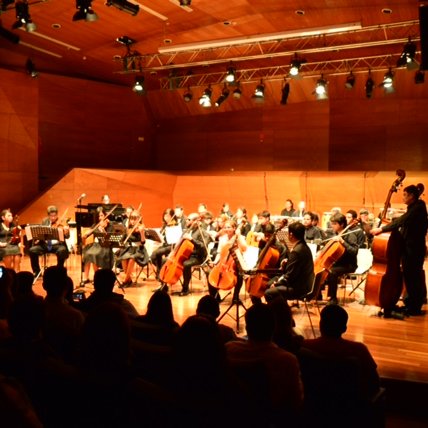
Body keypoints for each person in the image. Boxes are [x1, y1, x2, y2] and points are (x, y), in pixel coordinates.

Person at [225, 303, 303, 421]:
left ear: (246, 328)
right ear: (274, 327)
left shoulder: (228, 349)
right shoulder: (287, 360)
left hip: (233, 416)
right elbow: (296, 403)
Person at [371, 183, 428, 315]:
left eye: (405, 195)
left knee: (412, 278)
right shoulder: (414, 207)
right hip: (410, 249)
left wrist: (382, 228)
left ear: (412, 196)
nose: (402, 197)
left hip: (413, 250)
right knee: (410, 278)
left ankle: (414, 308)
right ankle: (411, 304)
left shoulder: (418, 208)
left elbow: (403, 220)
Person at [301, 304, 380, 399]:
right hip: (349, 406)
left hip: (313, 403)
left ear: (321, 325)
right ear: (344, 329)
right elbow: (374, 383)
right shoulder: (359, 350)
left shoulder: (304, 346)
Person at [264, 222, 315, 302]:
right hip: (305, 284)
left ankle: (279, 313)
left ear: (291, 234)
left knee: (268, 292)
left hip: (299, 288)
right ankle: (283, 309)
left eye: (288, 233)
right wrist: (288, 263)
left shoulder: (296, 251)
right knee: (268, 284)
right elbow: (296, 268)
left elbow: (289, 276)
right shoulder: (303, 246)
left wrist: (277, 284)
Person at [321, 213, 358, 304]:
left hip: (348, 264)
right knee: (322, 269)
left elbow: (354, 252)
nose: (332, 226)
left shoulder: (350, 236)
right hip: (337, 263)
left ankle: (333, 298)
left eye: (334, 224)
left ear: (341, 224)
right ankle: (318, 295)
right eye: (332, 223)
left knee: (332, 271)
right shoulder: (334, 234)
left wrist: (342, 241)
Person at [175, 213, 212, 296]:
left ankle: (185, 288)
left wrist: (191, 239)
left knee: (185, 264)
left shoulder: (202, 232)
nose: (187, 221)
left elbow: (203, 246)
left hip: (198, 257)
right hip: (188, 255)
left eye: (189, 219)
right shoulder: (187, 230)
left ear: (196, 221)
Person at [28, 206, 70, 278]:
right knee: (32, 250)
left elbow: (67, 236)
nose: (53, 218)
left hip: (58, 245)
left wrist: (66, 232)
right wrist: (39, 238)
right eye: (51, 216)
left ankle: (59, 270)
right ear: (48, 215)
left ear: (57, 215)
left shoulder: (62, 222)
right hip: (46, 244)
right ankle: (37, 271)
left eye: (55, 215)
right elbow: (41, 232)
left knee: (62, 250)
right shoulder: (45, 221)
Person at [81, 208, 114, 285]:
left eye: (102, 215)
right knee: (87, 253)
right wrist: (85, 234)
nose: (100, 218)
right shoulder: (96, 225)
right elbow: (89, 233)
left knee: (93, 254)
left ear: (106, 216)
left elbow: (108, 239)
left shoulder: (110, 225)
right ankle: (86, 277)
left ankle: (97, 277)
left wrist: (103, 230)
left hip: (105, 246)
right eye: (99, 216)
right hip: (96, 246)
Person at [115, 211, 149, 287]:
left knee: (131, 258)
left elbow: (143, 242)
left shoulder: (141, 228)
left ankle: (125, 280)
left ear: (139, 220)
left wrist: (142, 233)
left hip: (139, 250)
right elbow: (122, 239)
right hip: (129, 249)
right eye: (131, 219)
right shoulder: (128, 229)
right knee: (123, 258)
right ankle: (129, 280)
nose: (133, 221)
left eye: (135, 219)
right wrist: (121, 242)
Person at [150, 208, 178, 279]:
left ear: (172, 216)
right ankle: (161, 271)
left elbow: (175, 239)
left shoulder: (175, 225)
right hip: (165, 245)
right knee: (153, 256)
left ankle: (160, 273)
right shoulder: (165, 225)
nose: (166, 218)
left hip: (172, 246)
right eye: (165, 216)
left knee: (157, 253)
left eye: (168, 216)